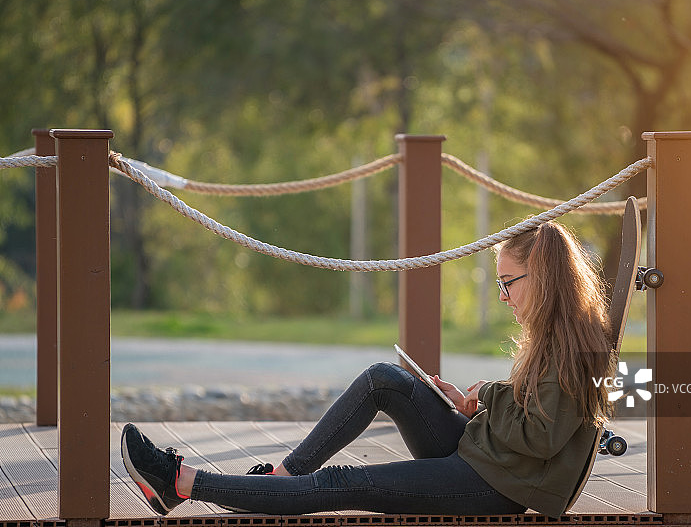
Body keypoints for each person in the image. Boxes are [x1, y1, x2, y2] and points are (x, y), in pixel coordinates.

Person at [121, 220, 615, 517]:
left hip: (496, 486)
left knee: (340, 483)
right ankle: (283, 474)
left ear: (544, 277)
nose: (504, 296)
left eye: (508, 283)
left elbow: (542, 439)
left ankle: (181, 483)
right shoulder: (558, 333)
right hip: (484, 453)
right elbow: (536, 419)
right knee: (385, 378)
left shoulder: (575, 345)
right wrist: (473, 405)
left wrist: (486, 396)